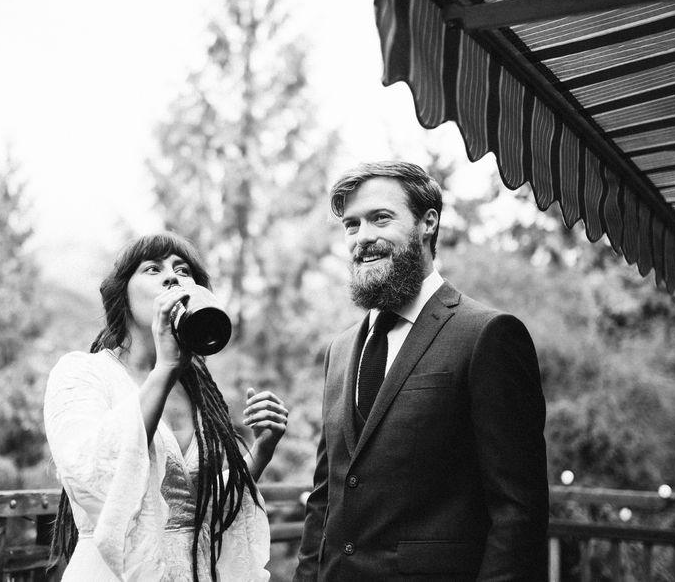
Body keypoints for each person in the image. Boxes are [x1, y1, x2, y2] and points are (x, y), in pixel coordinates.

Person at [295, 161, 548, 581]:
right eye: (352, 225)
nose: (363, 237)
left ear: (428, 223)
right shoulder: (338, 351)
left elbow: (518, 513)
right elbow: (325, 497)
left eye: (380, 218)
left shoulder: (488, 335)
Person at [44, 232, 289, 581]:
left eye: (183, 270)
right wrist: (165, 368)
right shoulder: (82, 373)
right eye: (152, 269)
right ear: (122, 295)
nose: (172, 277)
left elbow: (199, 511)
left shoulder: (194, 389)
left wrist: (262, 449)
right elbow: (89, 474)